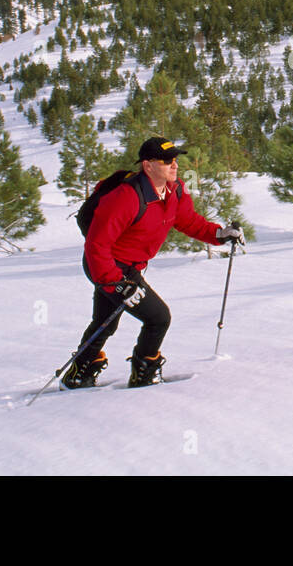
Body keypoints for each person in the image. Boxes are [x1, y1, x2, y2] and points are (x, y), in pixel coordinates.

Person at [63, 136, 244, 388]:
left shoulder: (175, 190)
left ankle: (79, 375)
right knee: (158, 318)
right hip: (108, 266)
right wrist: (116, 284)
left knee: (105, 323)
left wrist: (218, 234)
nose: (174, 165)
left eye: (176, 159)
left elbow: (189, 221)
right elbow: (97, 245)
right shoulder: (126, 197)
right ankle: (144, 375)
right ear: (147, 165)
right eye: (167, 160)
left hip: (125, 268)